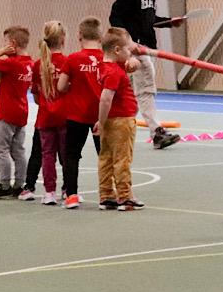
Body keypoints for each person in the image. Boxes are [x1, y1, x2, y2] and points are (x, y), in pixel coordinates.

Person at [109, 0, 184, 150]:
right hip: (135, 47)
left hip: (147, 45)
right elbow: (115, 18)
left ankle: (116, 129)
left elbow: (148, 19)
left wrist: (169, 22)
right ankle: (157, 132)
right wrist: (127, 43)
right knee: (146, 89)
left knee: (132, 92)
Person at [57, 17, 105, 208]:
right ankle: (106, 195)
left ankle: (71, 195)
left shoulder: (72, 59)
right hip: (101, 115)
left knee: (72, 155)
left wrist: (73, 87)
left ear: (79, 36)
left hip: (77, 114)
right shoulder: (106, 59)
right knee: (104, 155)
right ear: (100, 37)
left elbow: (61, 86)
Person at [0, 26, 34, 199]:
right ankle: (19, 184)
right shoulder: (29, 63)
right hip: (21, 111)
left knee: (1, 149)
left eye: (5, 42)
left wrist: (2, 52)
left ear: (12, 43)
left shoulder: (12, 63)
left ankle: (4, 184)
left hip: (6, 112)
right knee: (18, 151)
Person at [95, 28, 142, 211]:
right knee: (122, 158)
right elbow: (106, 98)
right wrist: (101, 121)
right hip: (122, 120)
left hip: (111, 120)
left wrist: (131, 61)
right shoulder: (114, 72)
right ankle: (125, 196)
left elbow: (127, 63)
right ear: (117, 50)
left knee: (106, 158)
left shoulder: (104, 67)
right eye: (127, 50)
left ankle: (107, 194)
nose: (130, 53)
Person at [32, 21, 68, 207]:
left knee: (47, 155)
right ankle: (68, 189)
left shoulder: (38, 64)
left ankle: (49, 192)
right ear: (63, 40)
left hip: (45, 116)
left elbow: (36, 96)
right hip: (65, 116)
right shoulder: (67, 62)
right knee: (67, 155)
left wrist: (47, 103)